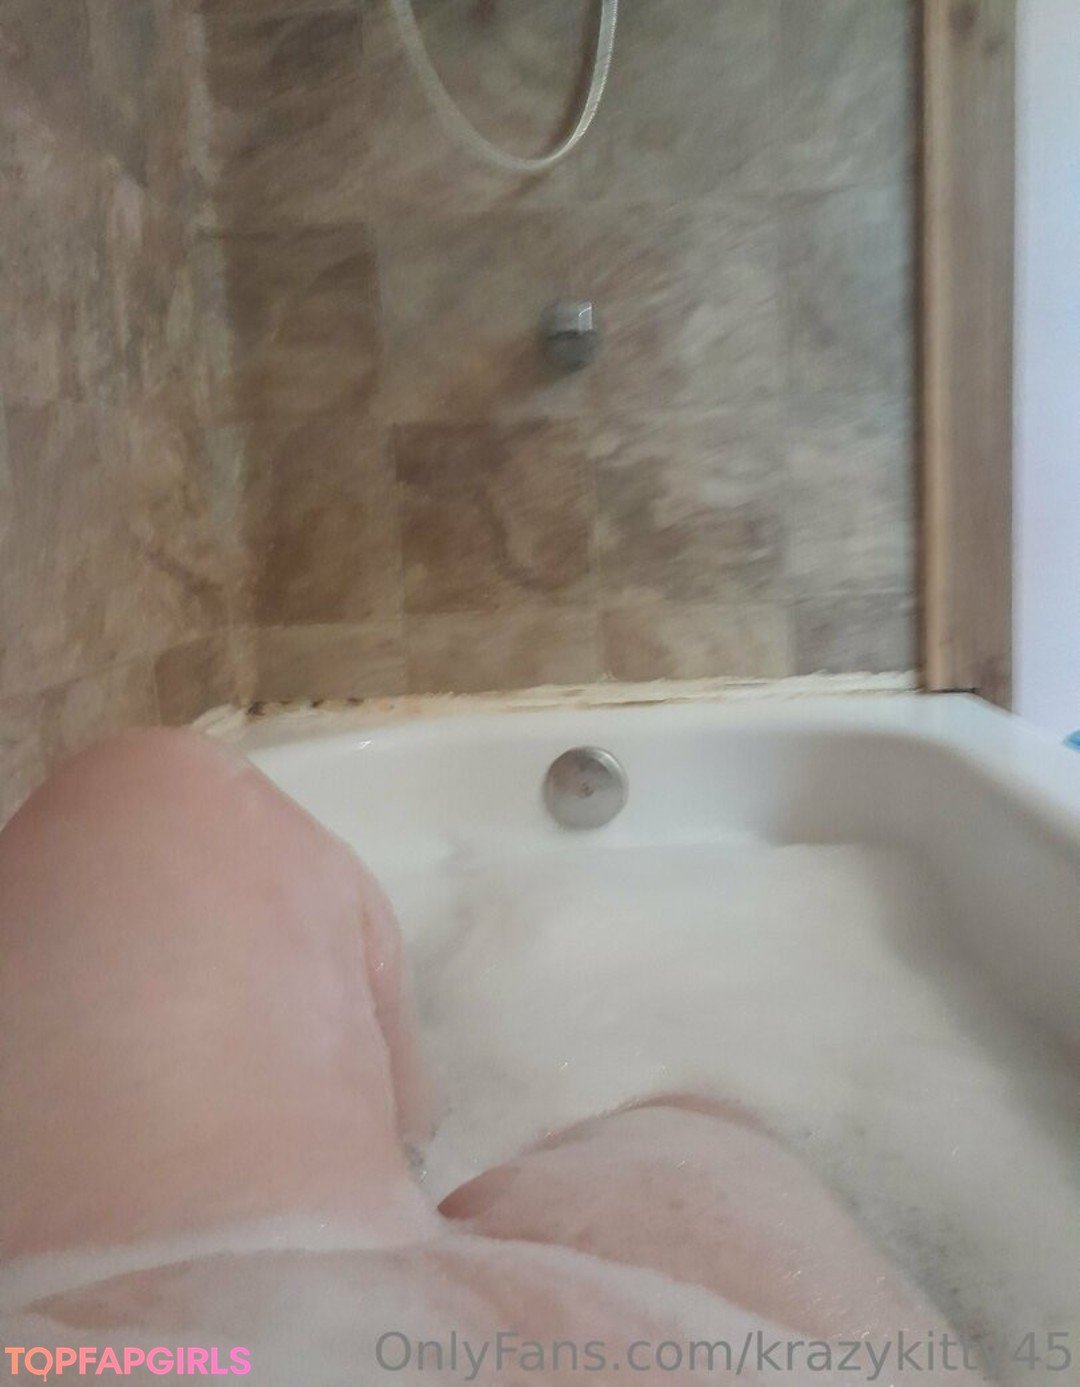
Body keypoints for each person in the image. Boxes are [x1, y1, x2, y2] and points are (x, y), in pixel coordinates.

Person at [0, 732, 989, 1385]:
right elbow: (415, 1112)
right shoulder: (224, 816)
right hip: (437, 1320)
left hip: (139, 1343)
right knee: (701, 1127)